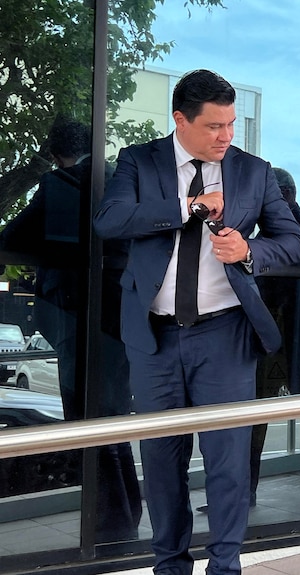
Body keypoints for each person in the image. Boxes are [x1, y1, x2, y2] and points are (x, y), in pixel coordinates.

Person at [93, 70, 300, 575]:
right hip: (153, 336)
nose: (226, 136)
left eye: (231, 124)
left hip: (225, 334)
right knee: (162, 463)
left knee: (227, 462)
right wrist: (190, 207)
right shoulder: (138, 162)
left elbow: (294, 241)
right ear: (180, 121)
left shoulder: (254, 172)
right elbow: (110, 220)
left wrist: (250, 249)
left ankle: (224, 567)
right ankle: (169, 566)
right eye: (214, 126)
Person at [0, 119, 142, 543]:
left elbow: (12, 236)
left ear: (57, 153)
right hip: (123, 320)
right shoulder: (123, 182)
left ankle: (110, 522)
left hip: (78, 319)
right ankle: (125, 515)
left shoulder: (61, 183)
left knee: (86, 421)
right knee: (113, 418)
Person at [196, 168, 300, 513]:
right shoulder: (263, 231)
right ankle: (246, 492)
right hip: (267, 332)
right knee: (254, 414)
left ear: (286, 195)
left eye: (270, 194)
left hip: (291, 333)